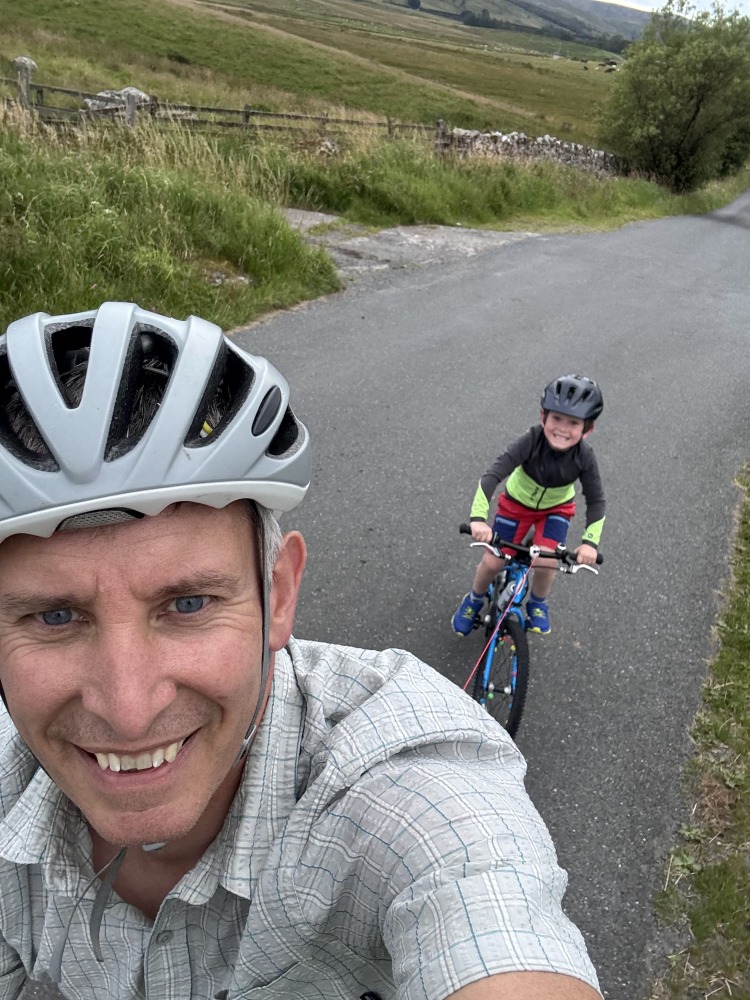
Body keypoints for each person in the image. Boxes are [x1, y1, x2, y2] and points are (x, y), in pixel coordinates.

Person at [0, 304, 602, 1000]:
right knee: (492, 565)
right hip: (509, 515)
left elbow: (474, 885)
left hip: (550, 520)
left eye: (188, 604)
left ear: (279, 594)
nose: (129, 710)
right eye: (53, 616)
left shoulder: (398, 785)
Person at [452, 374, 605, 638]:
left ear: (587, 429)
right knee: (493, 561)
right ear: (542, 416)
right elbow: (492, 475)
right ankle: (474, 600)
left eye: (573, 423)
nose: (562, 428)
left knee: (545, 561)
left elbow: (596, 500)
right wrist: (478, 518)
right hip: (516, 505)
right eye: (556, 418)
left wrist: (589, 543)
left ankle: (538, 603)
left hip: (555, 510)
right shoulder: (532, 440)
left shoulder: (585, 457)